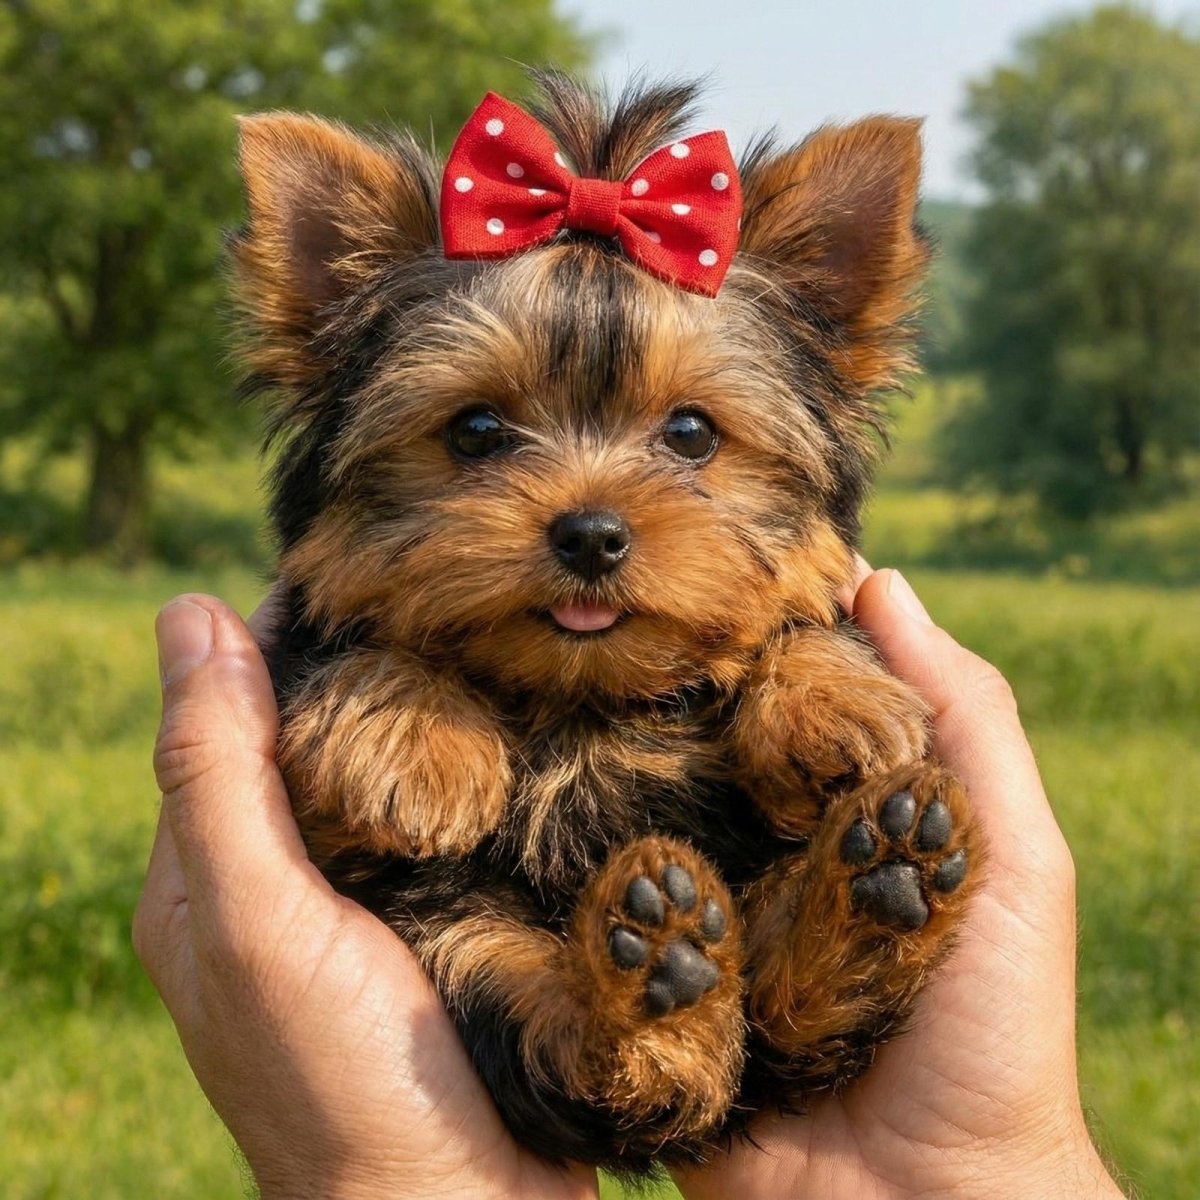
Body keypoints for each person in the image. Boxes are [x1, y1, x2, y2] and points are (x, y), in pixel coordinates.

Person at [135, 566, 1127, 1199]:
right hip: (512, 959)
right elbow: (372, 797)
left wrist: (804, 675)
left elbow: (812, 625)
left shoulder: (766, 637)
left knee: (812, 752)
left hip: (748, 922)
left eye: (691, 435)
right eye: (479, 435)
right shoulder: (386, 665)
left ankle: (818, 954)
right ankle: (642, 1034)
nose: (592, 513)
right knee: (478, 957)